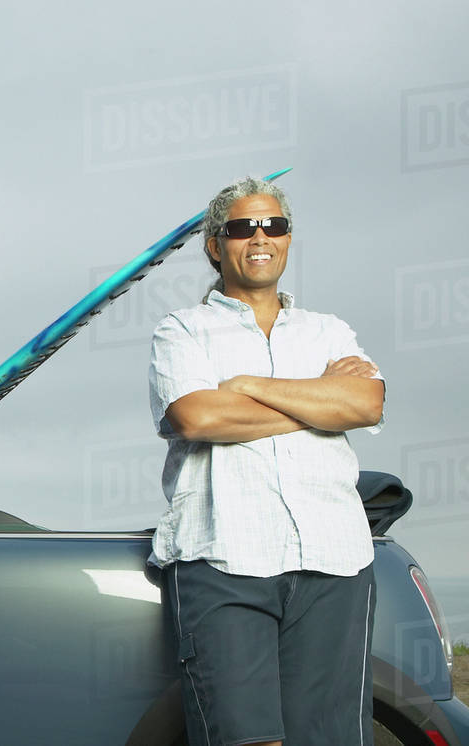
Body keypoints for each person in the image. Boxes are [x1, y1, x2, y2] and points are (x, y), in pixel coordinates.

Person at [147, 176, 386, 746]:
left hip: (335, 561)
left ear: (287, 239)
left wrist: (251, 385)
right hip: (222, 558)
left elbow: (366, 400)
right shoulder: (182, 330)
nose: (260, 237)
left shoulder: (329, 331)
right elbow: (197, 418)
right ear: (215, 245)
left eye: (273, 226)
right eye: (242, 228)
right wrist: (318, 402)